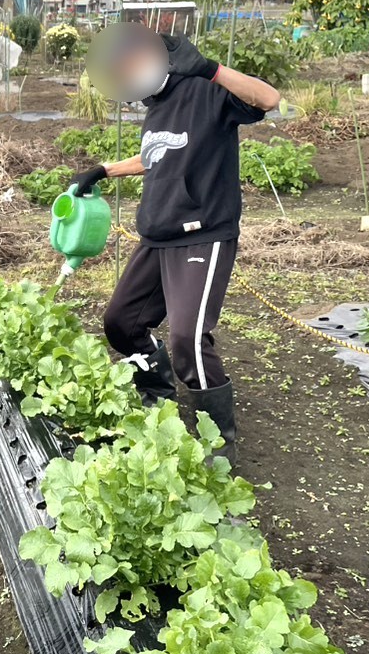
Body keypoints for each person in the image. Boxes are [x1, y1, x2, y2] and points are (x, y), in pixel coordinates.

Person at [70, 31, 280, 465]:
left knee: (187, 339)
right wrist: (104, 170)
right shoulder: (157, 105)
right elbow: (158, 155)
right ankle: (157, 395)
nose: (126, 74)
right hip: (158, 234)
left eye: (131, 64)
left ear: (154, 59)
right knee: (121, 323)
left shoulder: (207, 91)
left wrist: (211, 69)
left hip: (202, 233)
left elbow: (269, 98)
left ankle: (218, 445)